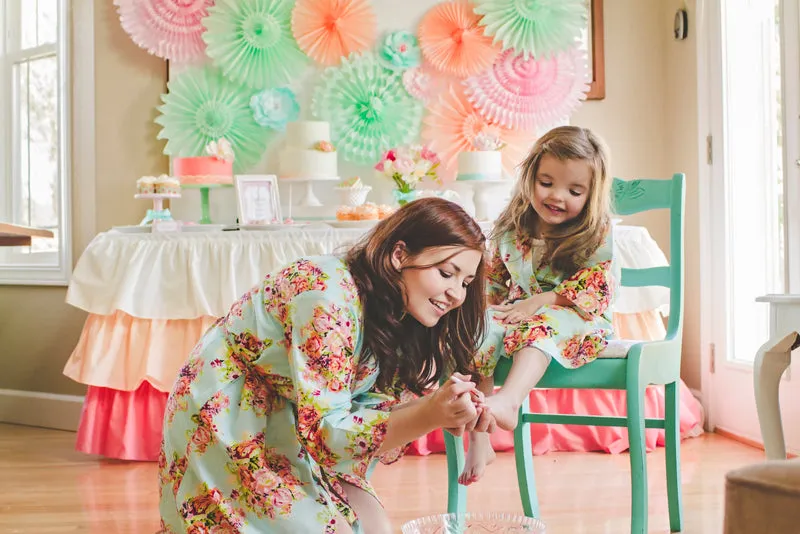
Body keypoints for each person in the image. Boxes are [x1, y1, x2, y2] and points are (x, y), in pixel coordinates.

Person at [158, 197, 490, 534]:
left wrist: (443, 410)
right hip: (228, 414)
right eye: (446, 273)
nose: (456, 295)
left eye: (465, 282)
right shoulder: (325, 295)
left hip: (296, 417)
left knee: (375, 528)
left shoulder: (399, 310)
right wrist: (430, 413)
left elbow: (369, 412)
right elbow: (327, 436)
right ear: (399, 254)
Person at [459, 126, 619, 485]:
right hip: (522, 312)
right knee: (477, 327)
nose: (557, 196)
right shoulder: (511, 227)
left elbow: (598, 286)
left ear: (591, 194)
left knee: (541, 322)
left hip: (579, 318)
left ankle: (511, 400)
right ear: (530, 175)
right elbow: (495, 281)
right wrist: (489, 312)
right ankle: (479, 435)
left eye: (574, 190)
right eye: (547, 183)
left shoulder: (596, 231)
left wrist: (540, 301)